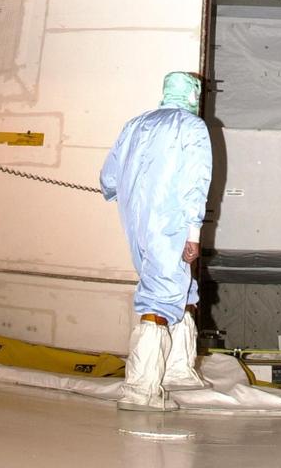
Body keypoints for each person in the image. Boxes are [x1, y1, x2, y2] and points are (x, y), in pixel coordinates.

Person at [101, 71, 213, 411]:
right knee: (160, 297)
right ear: (192, 94)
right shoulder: (192, 127)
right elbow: (197, 180)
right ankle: (140, 388)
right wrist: (194, 231)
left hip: (136, 219)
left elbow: (108, 176)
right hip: (172, 222)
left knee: (181, 288)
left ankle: (178, 369)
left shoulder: (134, 124)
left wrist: (124, 194)